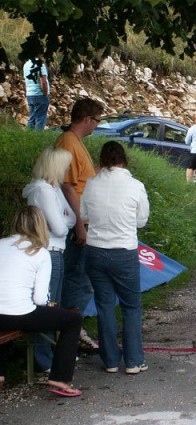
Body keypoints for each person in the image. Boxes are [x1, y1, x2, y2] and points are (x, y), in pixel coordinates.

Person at [82, 141, 150, 374]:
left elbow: (83, 214)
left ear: (101, 160)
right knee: (131, 306)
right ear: (124, 160)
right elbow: (141, 220)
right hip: (123, 250)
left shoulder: (91, 184)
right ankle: (133, 361)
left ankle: (110, 360)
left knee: (104, 305)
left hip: (95, 250)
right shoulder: (136, 185)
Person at [0, 206, 83, 397]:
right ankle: (59, 377)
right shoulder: (40, 252)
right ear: (41, 226)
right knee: (72, 320)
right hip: (20, 315)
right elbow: (40, 299)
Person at [55, 97, 104, 352]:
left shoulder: (75, 143)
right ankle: (72, 330)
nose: (96, 125)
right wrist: (79, 226)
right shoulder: (67, 143)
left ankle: (71, 328)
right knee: (78, 278)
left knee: (79, 277)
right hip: (77, 223)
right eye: (96, 120)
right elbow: (67, 186)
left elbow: (82, 180)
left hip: (82, 219)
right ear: (87, 119)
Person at [22, 147, 76, 372]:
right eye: (64, 166)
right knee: (47, 305)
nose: (67, 171)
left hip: (57, 250)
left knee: (54, 303)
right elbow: (61, 228)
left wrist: (64, 221)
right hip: (50, 249)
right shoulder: (43, 191)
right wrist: (64, 221)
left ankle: (51, 354)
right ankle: (43, 360)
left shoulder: (53, 189)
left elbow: (71, 218)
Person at [23, 48, 50, 130]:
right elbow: (43, 81)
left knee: (32, 118)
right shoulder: (40, 64)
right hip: (40, 94)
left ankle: (27, 138)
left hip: (30, 94)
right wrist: (45, 93)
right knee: (40, 119)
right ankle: (37, 140)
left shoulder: (26, 64)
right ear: (40, 54)